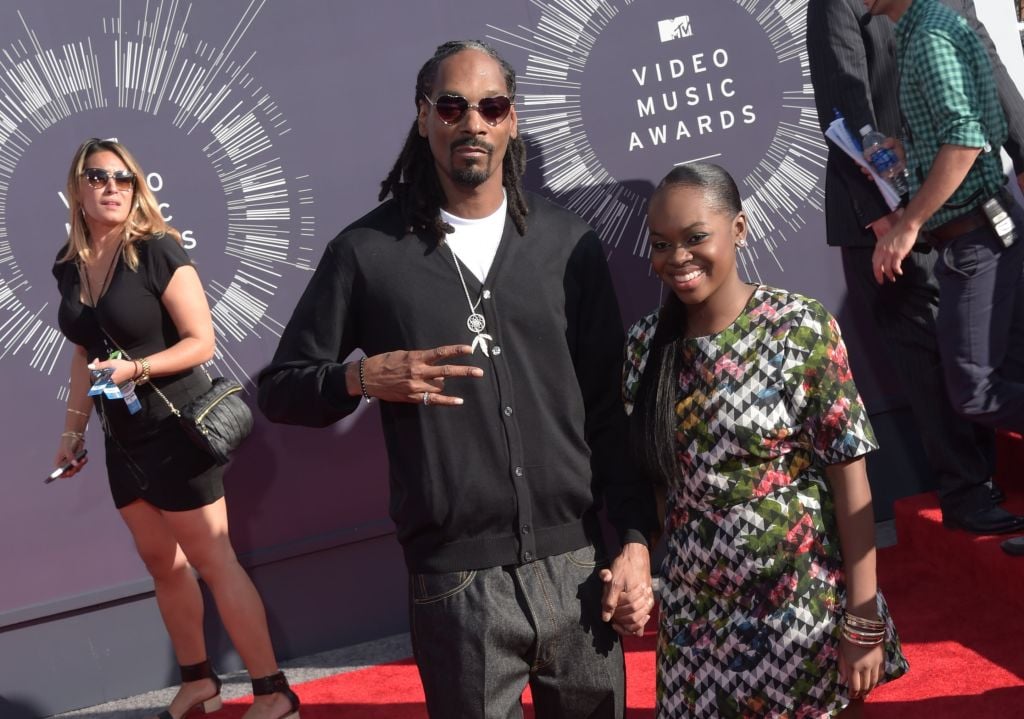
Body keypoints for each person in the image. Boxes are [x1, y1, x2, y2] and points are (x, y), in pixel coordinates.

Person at [257, 40, 658, 718]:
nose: (472, 122)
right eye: (452, 106)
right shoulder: (367, 253)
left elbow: (609, 411)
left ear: (511, 120)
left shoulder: (568, 244)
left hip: (578, 565)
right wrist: (359, 378)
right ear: (423, 118)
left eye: (490, 106)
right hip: (456, 584)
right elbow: (281, 388)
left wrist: (638, 542)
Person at [624, 163, 909, 718]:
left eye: (695, 237)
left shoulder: (798, 326)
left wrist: (864, 614)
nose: (677, 257)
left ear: (739, 229)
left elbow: (851, 487)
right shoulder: (643, 347)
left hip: (797, 607)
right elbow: (655, 487)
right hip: (696, 620)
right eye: (661, 245)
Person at [52, 138, 299, 719]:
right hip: (123, 437)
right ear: (77, 188)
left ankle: (273, 692)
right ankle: (199, 682)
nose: (111, 187)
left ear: (136, 188)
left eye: (123, 178)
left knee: (215, 562)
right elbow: (83, 354)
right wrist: (72, 431)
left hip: (178, 429)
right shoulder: (69, 264)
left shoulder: (157, 250)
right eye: (98, 177)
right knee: (162, 565)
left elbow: (202, 342)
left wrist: (136, 367)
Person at [806, 0, 1024, 535]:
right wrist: (884, 210)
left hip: (960, 200)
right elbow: (843, 99)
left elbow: (988, 61)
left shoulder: (939, 19)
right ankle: (966, 489)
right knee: (928, 351)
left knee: (988, 353)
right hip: (884, 209)